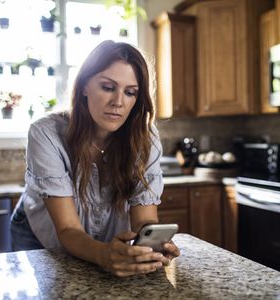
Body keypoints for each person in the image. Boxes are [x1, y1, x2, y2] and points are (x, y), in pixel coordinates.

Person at [10, 40, 180, 277]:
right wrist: (103, 255)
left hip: (103, 240)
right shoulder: (45, 133)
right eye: (108, 87)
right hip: (39, 232)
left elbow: (145, 219)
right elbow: (68, 228)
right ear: (84, 87)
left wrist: (152, 245)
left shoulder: (145, 137)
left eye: (130, 92)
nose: (118, 102)